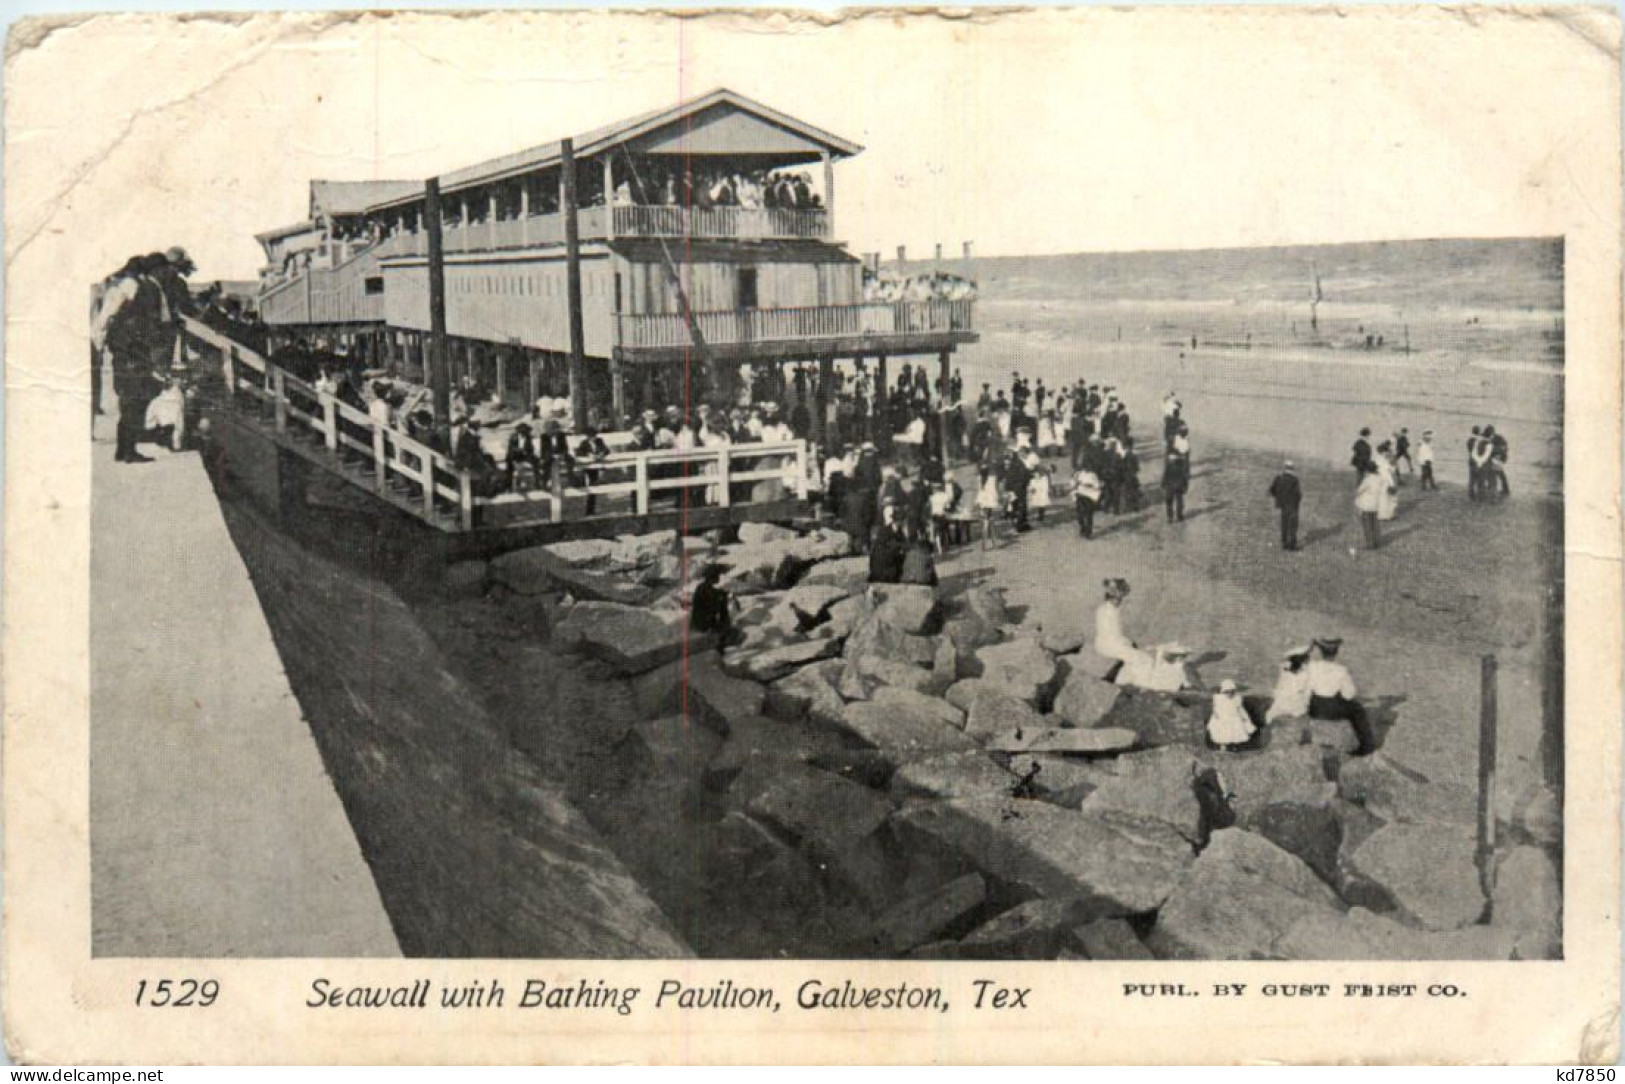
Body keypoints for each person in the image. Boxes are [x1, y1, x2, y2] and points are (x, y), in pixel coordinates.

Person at [1306, 637, 1375, 755]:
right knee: (1358, 710)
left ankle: (1305, 735)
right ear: (1336, 653)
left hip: (1314, 708)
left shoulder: (1311, 666)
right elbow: (1349, 695)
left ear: (1321, 652)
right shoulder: (1341, 670)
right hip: (1332, 709)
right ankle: (1366, 746)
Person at [1094, 578, 1151, 684]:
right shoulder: (1107, 611)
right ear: (1112, 597)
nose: (1120, 601)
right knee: (1143, 659)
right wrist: (1128, 643)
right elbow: (1111, 635)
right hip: (1109, 645)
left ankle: (1125, 681)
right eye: (1118, 598)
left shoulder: (1109, 609)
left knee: (1136, 655)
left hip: (1111, 643)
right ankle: (1141, 685)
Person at [689, 564, 741, 649]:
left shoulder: (703, 587)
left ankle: (723, 631)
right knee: (722, 603)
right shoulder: (704, 589)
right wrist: (722, 597)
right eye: (717, 576)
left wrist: (722, 593)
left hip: (704, 622)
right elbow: (712, 604)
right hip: (703, 624)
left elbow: (714, 593)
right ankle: (722, 633)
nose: (718, 578)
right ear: (712, 576)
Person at [1265, 644, 1315, 723]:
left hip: (1279, 708)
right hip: (1297, 710)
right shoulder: (1306, 674)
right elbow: (1307, 696)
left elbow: (1284, 661)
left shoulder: (1284, 670)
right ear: (1303, 662)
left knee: (1269, 715)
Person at [1207, 680, 1256, 751]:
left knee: (1235, 732)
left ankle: (1234, 746)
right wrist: (1216, 714)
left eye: (1232, 692)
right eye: (1227, 692)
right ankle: (1223, 746)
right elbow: (1215, 708)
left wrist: (1243, 717)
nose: (1229, 694)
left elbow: (1240, 709)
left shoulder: (1236, 699)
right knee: (1223, 732)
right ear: (1223, 692)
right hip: (1223, 717)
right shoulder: (1220, 699)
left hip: (1234, 718)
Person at [868, 500, 909, 584]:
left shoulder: (893, 531)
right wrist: (900, 549)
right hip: (884, 569)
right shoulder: (886, 532)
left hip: (882, 566)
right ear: (899, 522)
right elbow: (891, 550)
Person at [1268, 459, 1303, 550]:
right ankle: (1292, 545)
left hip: (1282, 504)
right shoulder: (1295, 479)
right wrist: (1296, 502)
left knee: (1284, 523)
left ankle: (1284, 543)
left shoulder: (1279, 478)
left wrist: (1278, 498)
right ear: (1292, 468)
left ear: (1284, 467)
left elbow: (1272, 490)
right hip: (1292, 505)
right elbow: (1298, 494)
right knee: (1293, 525)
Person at [1354, 461, 1383, 549]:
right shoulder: (1379, 479)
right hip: (1376, 505)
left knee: (1367, 525)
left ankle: (1370, 544)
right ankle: (1376, 541)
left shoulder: (1367, 480)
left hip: (1366, 505)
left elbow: (1359, 490)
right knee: (1375, 524)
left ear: (1367, 470)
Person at [976, 463, 1002, 550]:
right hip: (991, 503)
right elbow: (995, 491)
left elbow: (980, 492)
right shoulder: (992, 479)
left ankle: (984, 545)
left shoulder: (980, 479)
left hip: (983, 504)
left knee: (985, 524)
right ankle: (994, 543)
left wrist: (979, 504)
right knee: (992, 524)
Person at [1073, 462, 1101, 539]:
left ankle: (1089, 533)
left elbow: (1097, 485)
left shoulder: (1093, 475)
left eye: (1087, 467)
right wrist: (1076, 485)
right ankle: (1082, 528)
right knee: (1079, 514)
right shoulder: (1081, 474)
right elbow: (1076, 483)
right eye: (1084, 467)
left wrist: (1088, 485)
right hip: (1080, 494)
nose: (1085, 469)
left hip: (1089, 496)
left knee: (1089, 515)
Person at [1162, 444, 1190, 523]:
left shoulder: (1169, 464)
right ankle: (1179, 515)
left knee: (1169, 501)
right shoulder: (1181, 464)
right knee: (1179, 501)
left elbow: (1166, 474)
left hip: (1170, 486)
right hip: (1179, 486)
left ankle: (1170, 517)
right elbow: (1184, 476)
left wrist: (1163, 483)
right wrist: (1185, 485)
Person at [1375, 444, 1399, 522]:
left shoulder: (1386, 460)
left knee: (1389, 497)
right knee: (1384, 497)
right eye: (1386, 452)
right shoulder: (1379, 460)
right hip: (1383, 480)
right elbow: (1383, 471)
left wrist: (1393, 463)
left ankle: (1388, 515)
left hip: (1387, 480)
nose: (1388, 453)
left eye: (1388, 452)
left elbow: (1392, 470)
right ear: (1382, 452)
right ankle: (1384, 515)